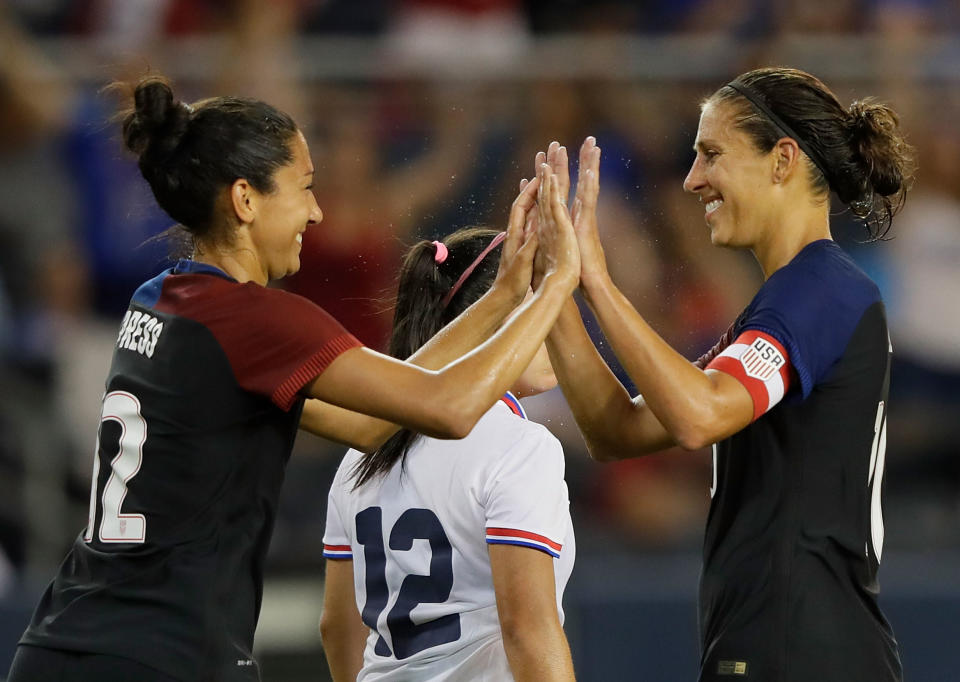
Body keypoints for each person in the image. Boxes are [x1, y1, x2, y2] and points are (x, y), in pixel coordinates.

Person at [7, 76, 579, 682]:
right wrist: (555, 284)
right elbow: (450, 408)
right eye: (304, 188)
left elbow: (370, 425)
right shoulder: (259, 320)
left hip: (62, 641)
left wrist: (502, 296)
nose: (316, 210)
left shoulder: (159, 301)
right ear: (246, 199)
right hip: (162, 653)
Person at [544, 67, 914, 682]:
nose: (693, 180)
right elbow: (617, 431)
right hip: (788, 644)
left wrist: (599, 282)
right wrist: (558, 288)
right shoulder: (784, 305)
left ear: (782, 160)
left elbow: (698, 416)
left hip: (799, 649)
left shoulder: (819, 292)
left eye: (711, 154)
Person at [319, 227, 577, 682]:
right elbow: (527, 630)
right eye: (541, 307)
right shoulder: (519, 448)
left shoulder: (359, 456)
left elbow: (338, 628)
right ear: (501, 317)